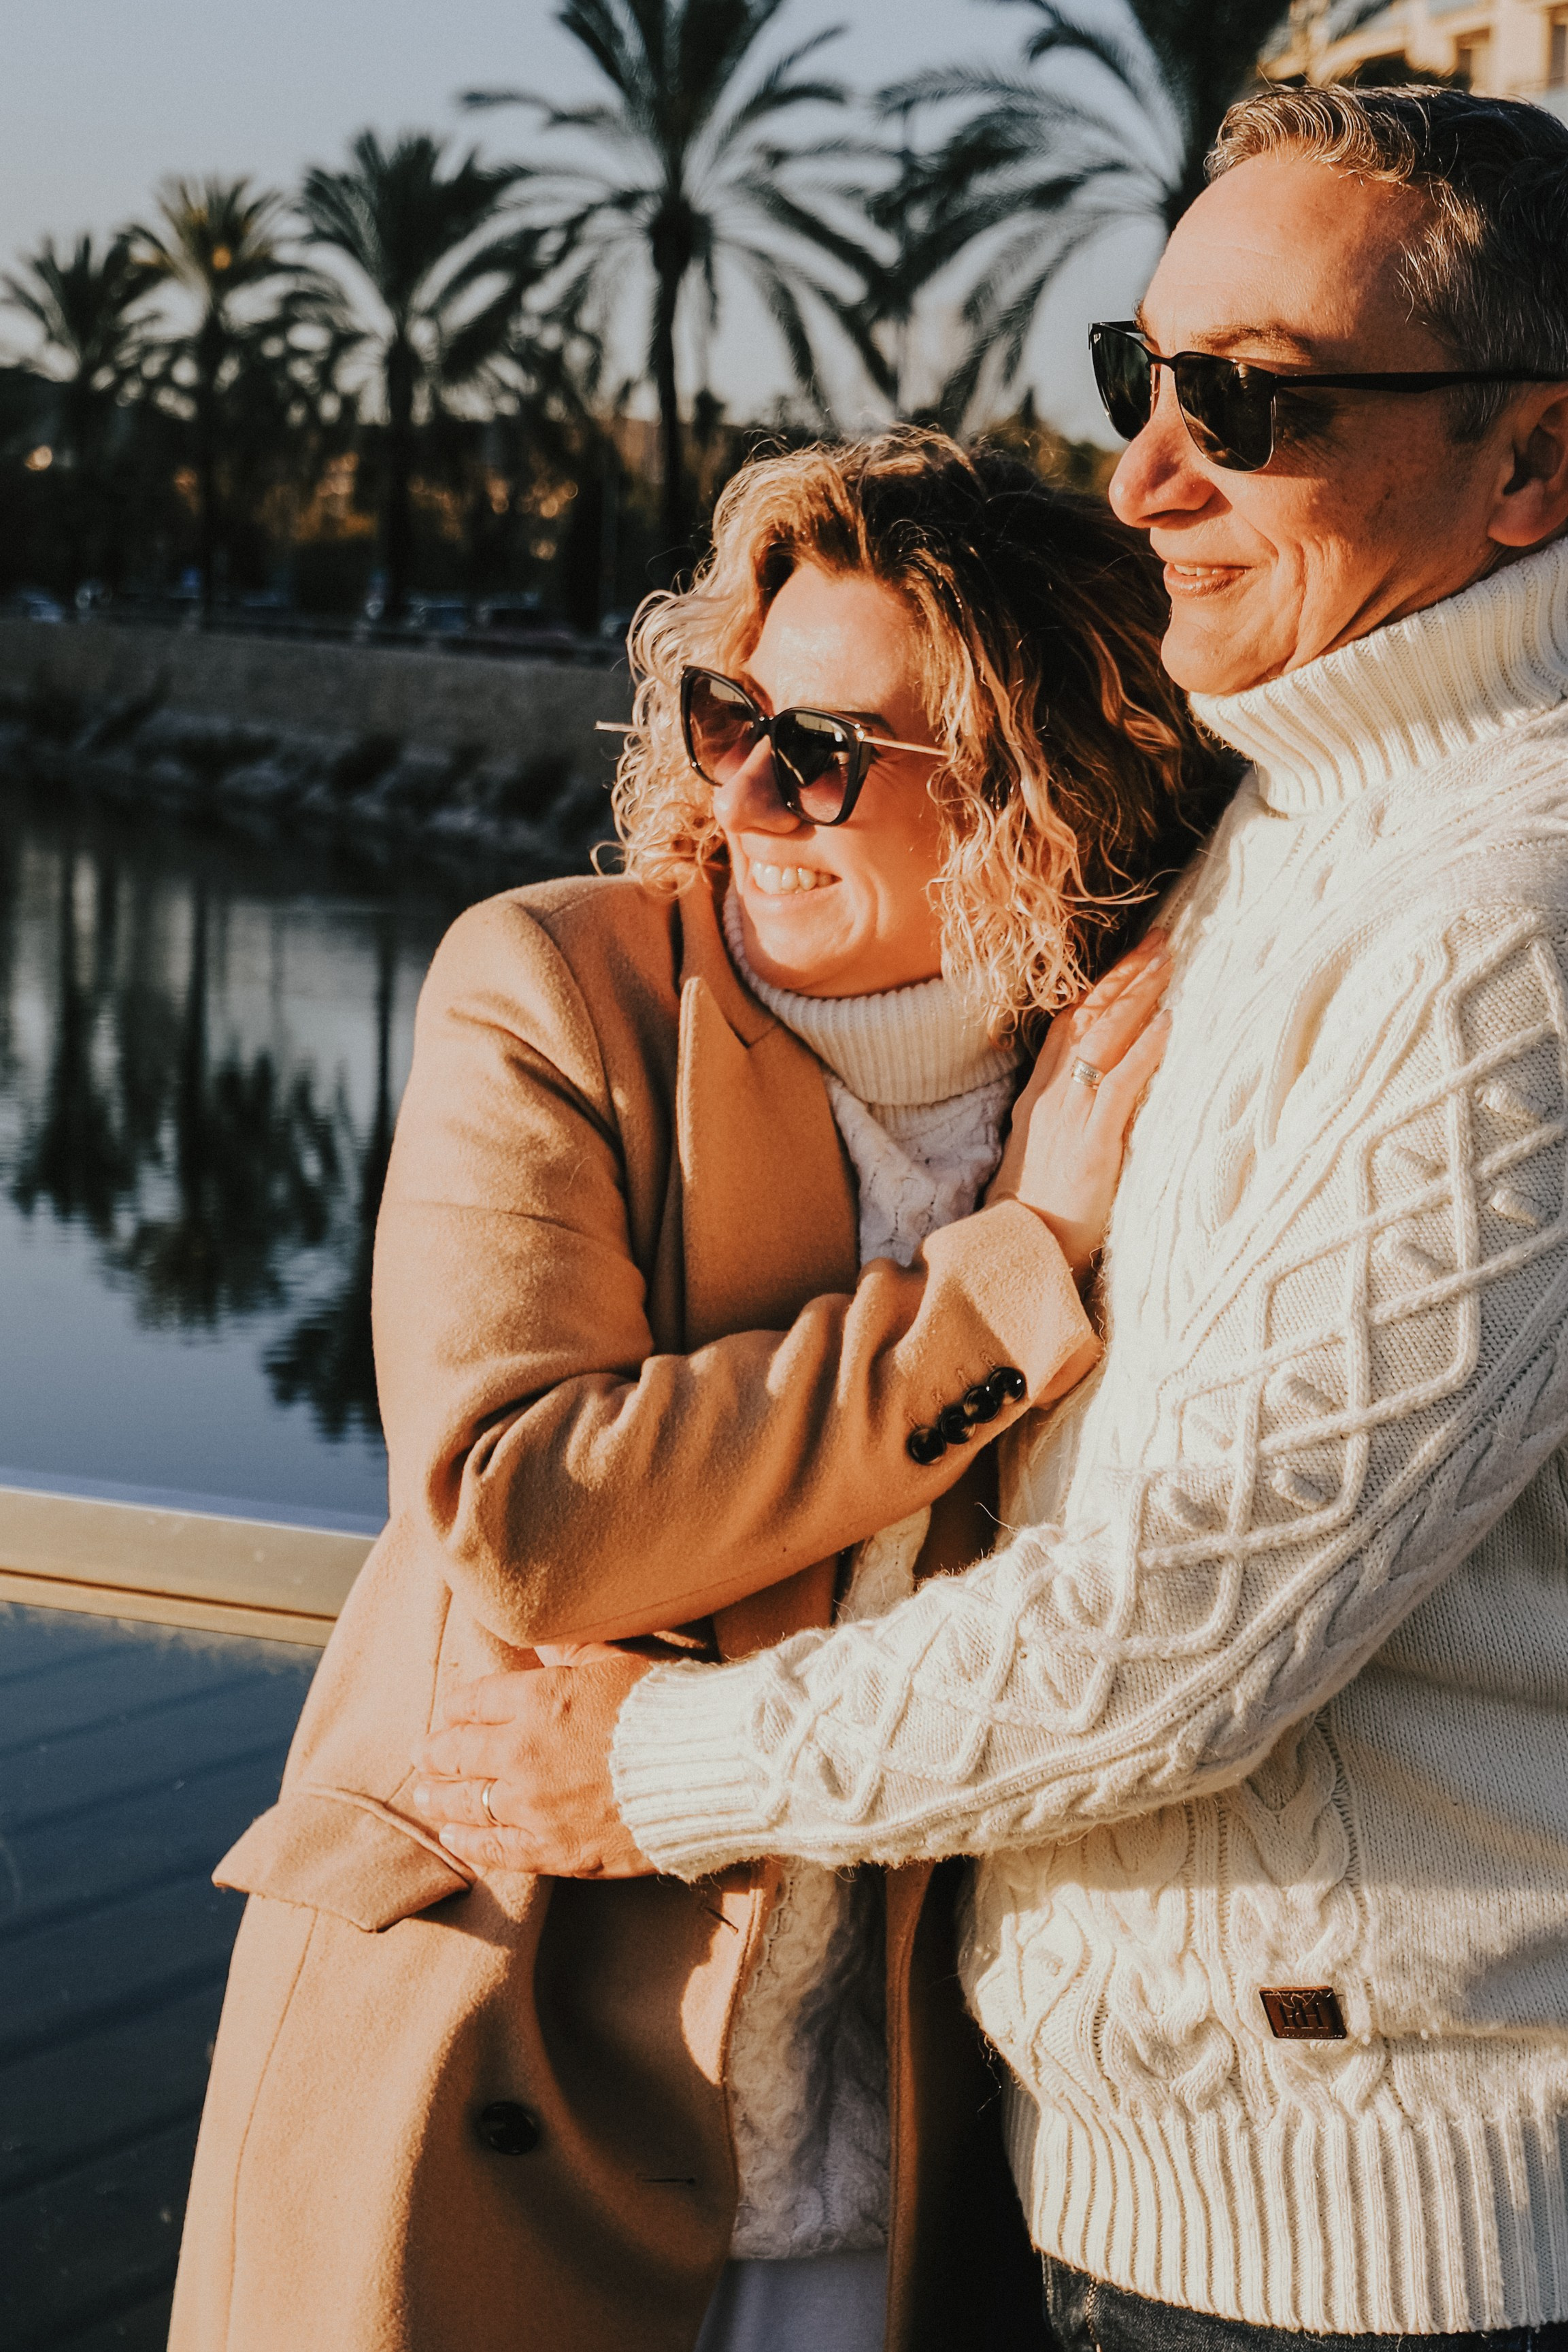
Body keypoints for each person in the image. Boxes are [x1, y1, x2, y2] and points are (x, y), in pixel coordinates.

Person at [413, 85, 1568, 2352]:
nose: (1146, 475)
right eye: (1138, 375)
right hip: (1115, 2178)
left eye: (1250, 404)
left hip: (1369, 2244)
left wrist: (644, 1768)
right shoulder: (1294, 819)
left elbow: (1191, 1618)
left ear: (1530, 460)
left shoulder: (1501, 915)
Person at [169, 430, 1223, 2352]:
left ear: (1031, 786)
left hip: (912, 2143)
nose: (741, 790)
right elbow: (530, 1513)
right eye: (729, 714)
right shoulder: (559, 991)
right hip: (507, 2055)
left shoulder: (1131, 1069)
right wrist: (1012, 1271)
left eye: (821, 750)